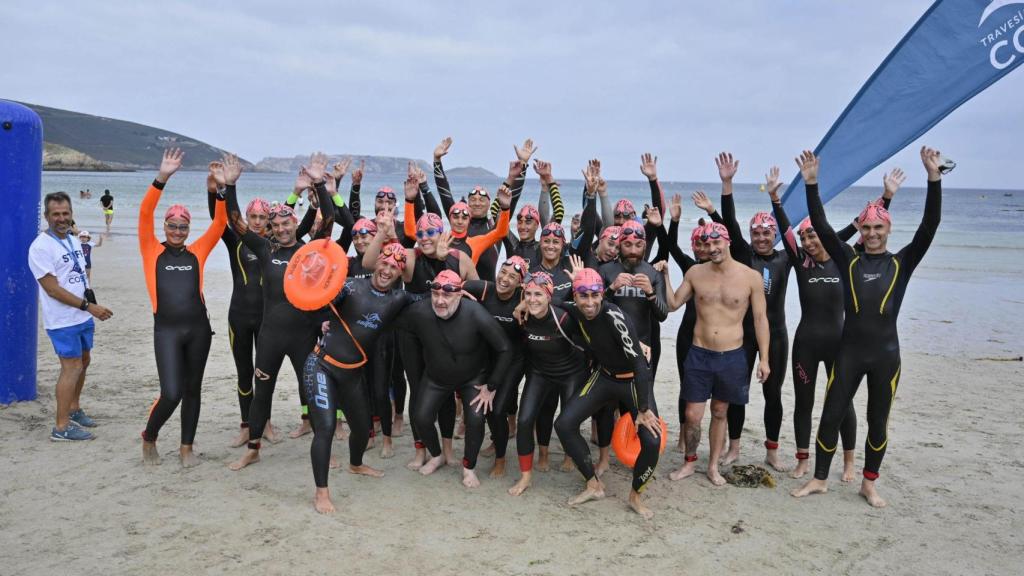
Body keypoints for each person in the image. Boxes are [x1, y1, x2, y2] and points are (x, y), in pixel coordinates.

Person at [792, 147, 942, 507]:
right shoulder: (849, 259)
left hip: (886, 356)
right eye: (867, 227)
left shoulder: (902, 263)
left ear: (888, 228)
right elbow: (824, 228)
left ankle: (869, 483)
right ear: (860, 229)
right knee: (831, 414)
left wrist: (933, 178)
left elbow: (929, 226)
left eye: (879, 227)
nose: (872, 233)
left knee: (878, 421)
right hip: (850, 353)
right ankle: (820, 479)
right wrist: (812, 184)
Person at [771, 166, 904, 478]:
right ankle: (803, 460)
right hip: (806, 343)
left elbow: (868, 228)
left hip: (841, 346)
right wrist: (776, 199)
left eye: (812, 235)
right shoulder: (801, 264)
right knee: (803, 404)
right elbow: (786, 230)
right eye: (804, 237)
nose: (808, 241)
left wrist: (886, 197)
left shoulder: (847, 260)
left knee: (842, 407)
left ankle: (847, 463)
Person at [229, 153, 336, 472]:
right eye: (275, 225)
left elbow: (328, 220)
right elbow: (235, 221)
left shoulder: (308, 250)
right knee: (263, 392)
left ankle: (323, 451)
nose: (280, 228)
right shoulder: (264, 250)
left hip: (304, 335)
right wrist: (230, 186)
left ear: (295, 223)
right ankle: (253, 448)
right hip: (271, 335)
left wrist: (318, 182)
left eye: (286, 223)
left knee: (312, 393)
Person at [659, 221, 770, 486]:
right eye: (707, 244)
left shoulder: (750, 277)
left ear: (728, 241)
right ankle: (689, 462)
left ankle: (712, 466)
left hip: (732, 356)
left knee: (720, 412)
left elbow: (760, 319)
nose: (712, 248)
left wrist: (764, 359)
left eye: (716, 242)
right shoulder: (696, 273)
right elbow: (673, 304)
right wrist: (664, 274)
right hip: (699, 353)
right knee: (692, 415)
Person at [305, 243, 414, 513]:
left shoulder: (398, 299)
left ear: (401, 273)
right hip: (322, 365)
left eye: (394, 267)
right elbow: (318, 299)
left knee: (363, 426)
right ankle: (321, 492)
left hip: (352, 372)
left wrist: (463, 291)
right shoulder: (352, 286)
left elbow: (426, 298)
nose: (387, 270)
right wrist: (323, 319)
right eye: (384, 264)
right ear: (376, 263)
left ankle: (356, 464)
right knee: (326, 428)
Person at [549, 264, 662, 519]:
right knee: (564, 424)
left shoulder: (615, 317)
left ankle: (635, 496)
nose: (589, 303)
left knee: (652, 441)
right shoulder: (575, 310)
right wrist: (524, 305)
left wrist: (643, 409)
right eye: (583, 296)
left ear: (602, 295)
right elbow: (549, 299)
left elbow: (639, 364)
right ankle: (593, 484)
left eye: (594, 296)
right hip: (605, 376)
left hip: (633, 380)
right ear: (575, 297)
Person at [138, 148, 228, 466]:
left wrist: (221, 189)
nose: (177, 231)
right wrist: (162, 177)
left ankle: (186, 447)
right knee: (171, 393)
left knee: (193, 391)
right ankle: (149, 436)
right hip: (167, 330)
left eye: (183, 227)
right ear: (165, 227)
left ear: (188, 229)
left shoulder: (197, 253)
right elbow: (145, 212)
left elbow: (220, 224)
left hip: (198, 330)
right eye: (172, 226)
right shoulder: (151, 250)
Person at [396, 270, 513, 489]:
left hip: (473, 378)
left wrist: (492, 386)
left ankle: (469, 468)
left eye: (447, 296)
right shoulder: (419, 312)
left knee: (476, 419)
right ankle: (437, 455)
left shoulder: (475, 313)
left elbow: (505, 348)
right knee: (421, 417)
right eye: (435, 295)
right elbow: (395, 324)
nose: (440, 301)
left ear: (460, 295)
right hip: (436, 377)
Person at [29, 192, 114, 441]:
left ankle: (74, 409)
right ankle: (61, 426)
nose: (61, 218)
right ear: (46, 216)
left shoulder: (74, 240)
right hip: (62, 319)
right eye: (55, 214)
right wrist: (89, 307)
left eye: (65, 213)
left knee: (84, 361)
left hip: (82, 316)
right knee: (71, 367)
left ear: (71, 214)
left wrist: (90, 305)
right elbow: (52, 289)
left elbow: (80, 275)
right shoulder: (40, 247)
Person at [205, 163, 279, 447]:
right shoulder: (235, 239)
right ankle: (247, 425)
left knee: (265, 373)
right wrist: (215, 191)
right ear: (246, 217)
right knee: (244, 373)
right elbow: (217, 218)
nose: (258, 221)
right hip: (239, 317)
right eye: (253, 216)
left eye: (262, 217)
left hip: (267, 320)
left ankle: (266, 422)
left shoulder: (275, 245)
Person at [507, 271, 589, 496]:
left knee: (567, 422)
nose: (532, 299)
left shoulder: (563, 318)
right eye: (529, 294)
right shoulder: (522, 317)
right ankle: (525, 477)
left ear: (549, 296)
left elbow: (591, 337)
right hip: (540, 372)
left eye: (538, 295)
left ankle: (572, 458)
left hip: (571, 373)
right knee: (524, 421)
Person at [462, 256, 529, 479]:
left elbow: (553, 300)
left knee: (498, 408)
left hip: (514, 360)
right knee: (489, 408)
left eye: (512, 276)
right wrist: (457, 292)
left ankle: (501, 459)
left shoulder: (524, 295)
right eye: (503, 272)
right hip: (488, 357)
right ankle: (496, 441)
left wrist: (527, 299)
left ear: (520, 282)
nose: (505, 279)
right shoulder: (484, 289)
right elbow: (452, 284)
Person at [431, 136, 529, 281]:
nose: (477, 203)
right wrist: (437, 161)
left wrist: (522, 167)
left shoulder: (493, 226)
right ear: (467, 205)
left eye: (482, 200)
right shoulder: (459, 221)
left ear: (489, 204)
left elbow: (508, 199)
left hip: (486, 292)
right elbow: (444, 192)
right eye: (473, 200)